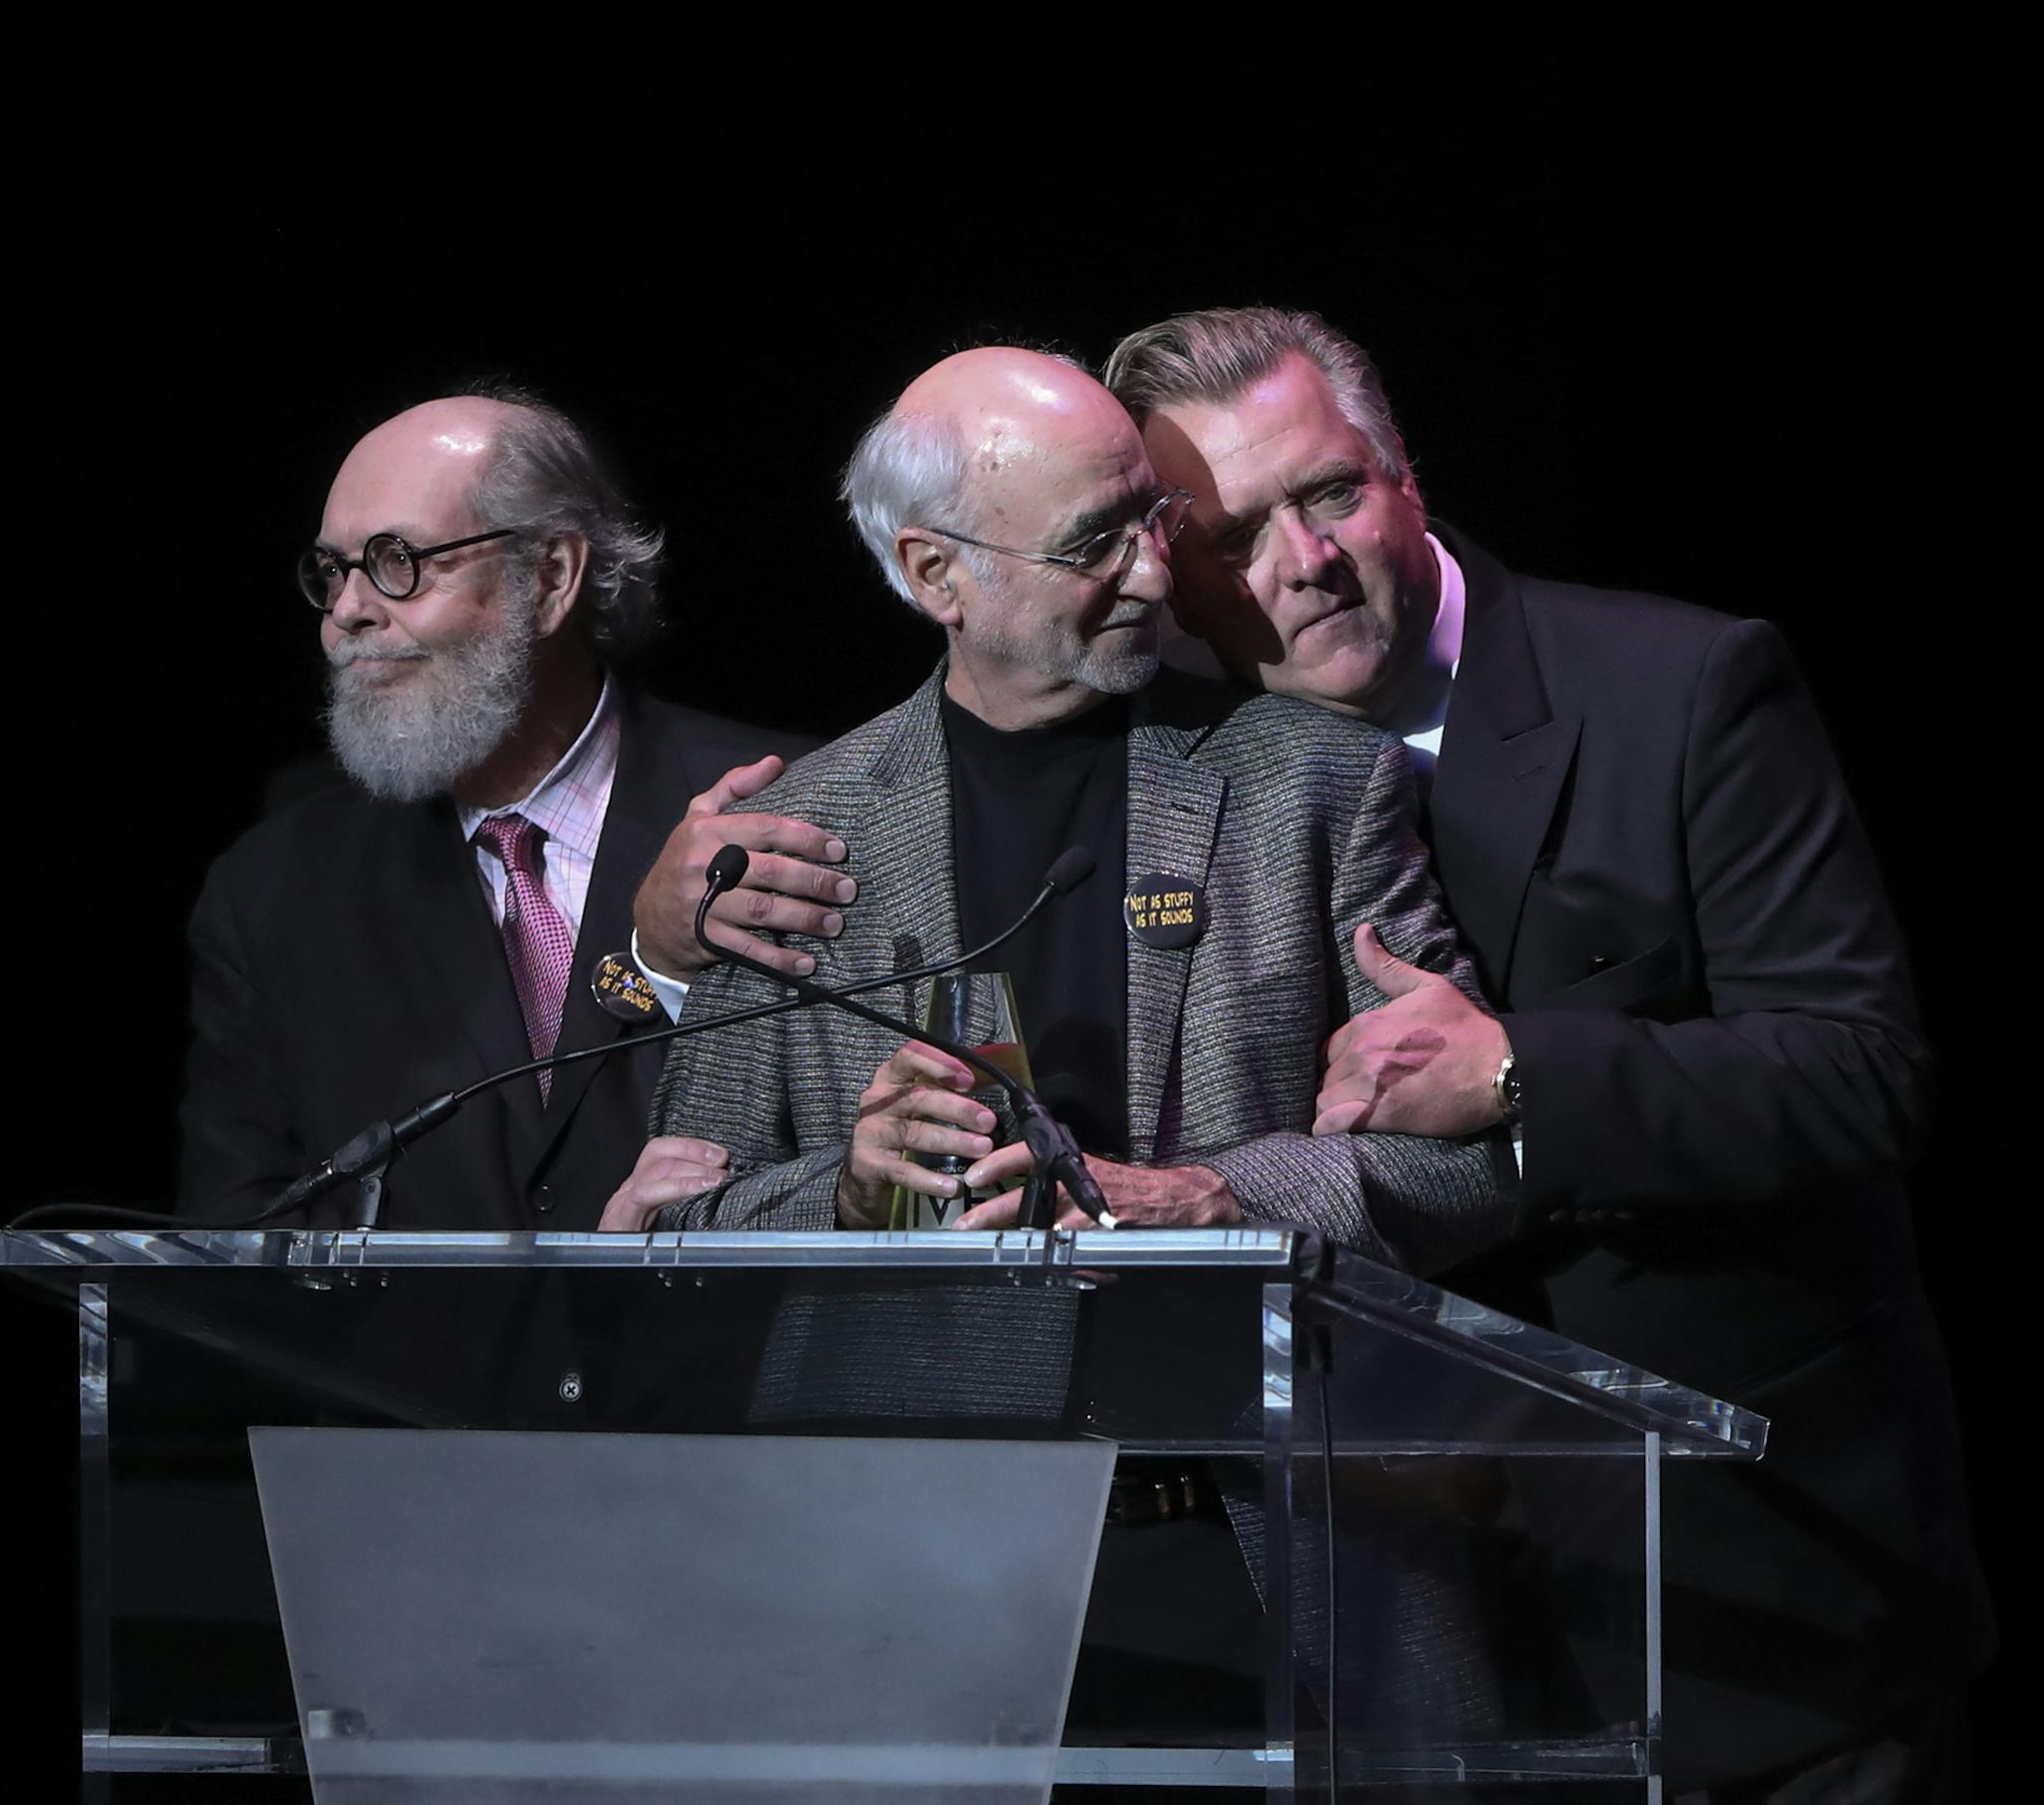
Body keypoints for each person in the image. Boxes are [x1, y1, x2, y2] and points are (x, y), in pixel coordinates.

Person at [1107, 306, 1988, 1799]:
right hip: (1392, 1634)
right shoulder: (1157, 779)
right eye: (1234, 532)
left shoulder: (1684, 686)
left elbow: (1860, 1068)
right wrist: (662, 967)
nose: (1303, 562)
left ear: (1405, 475)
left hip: (1752, 1610)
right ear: (1172, 577)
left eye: (1330, 493)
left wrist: (1522, 1072)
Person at [646, 346, 1505, 1266]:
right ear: (937, 574)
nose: (1155, 576)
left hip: (1217, 1388)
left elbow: (1473, 1169)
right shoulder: (795, 842)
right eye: (1095, 543)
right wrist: (850, 1198)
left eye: (1154, 518)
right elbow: (673, 1222)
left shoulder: (1316, 784)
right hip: (906, 1399)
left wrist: (1218, 1204)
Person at [179, 386, 842, 1230]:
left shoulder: (783, 805)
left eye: (397, 561)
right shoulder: (271, 893)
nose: (347, 611)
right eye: (332, 570)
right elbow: (233, 1259)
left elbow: (871, 1169)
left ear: (552, 577)